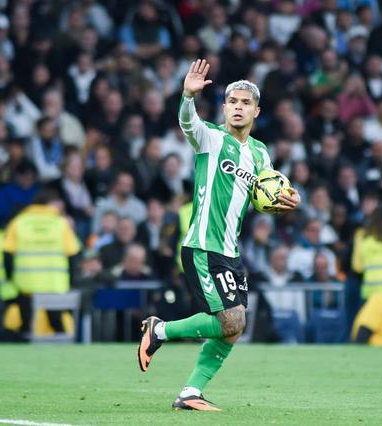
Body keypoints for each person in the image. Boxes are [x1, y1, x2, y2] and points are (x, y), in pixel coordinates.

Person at [137, 59, 300, 411]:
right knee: (231, 319)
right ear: (224, 107)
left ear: (257, 111)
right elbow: (187, 123)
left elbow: (267, 194)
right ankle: (159, 330)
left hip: (230, 250)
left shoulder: (260, 153)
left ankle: (190, 393)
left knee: (234, 328)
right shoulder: (210, 138)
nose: (238, 107)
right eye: (232, 102)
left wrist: (288, 199)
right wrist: (187, 96)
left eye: (245, 103)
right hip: (202, 245)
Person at [2, 188, 81, 338]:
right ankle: (64, 350)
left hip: (26, 283)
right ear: (50, 203)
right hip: (54, 283)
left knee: (26, 325)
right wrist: (71, 280)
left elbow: (7, 253)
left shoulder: (19, 222)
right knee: (57, 323)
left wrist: (11, 277)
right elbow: (73, 254)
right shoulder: (61, 224)